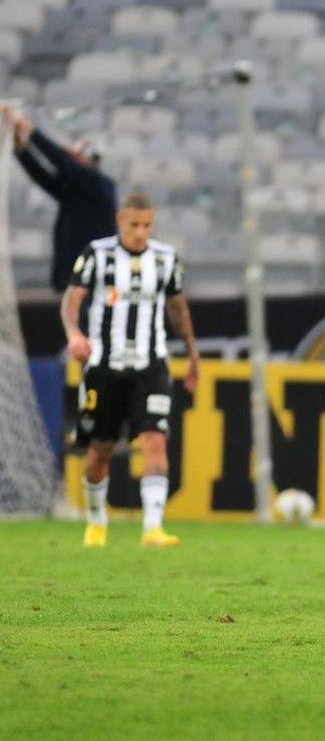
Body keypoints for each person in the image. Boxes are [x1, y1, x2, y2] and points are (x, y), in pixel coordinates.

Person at [60, 192, 200, 548]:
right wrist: (74, 334)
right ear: (120, 220)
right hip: (104, 367)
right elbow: (72, 299)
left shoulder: (166, 259)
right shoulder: (97, 254)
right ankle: (96, 522)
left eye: (148, 225)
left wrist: (193, 355)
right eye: (135, 224)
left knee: (155, 440)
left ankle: (153, 528)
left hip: (150, 366)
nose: (141, 232)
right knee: (99, 452)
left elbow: (178, 308)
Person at [1, 103, 117, 292]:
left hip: (93, 281)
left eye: (75, 155)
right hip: (72, 278)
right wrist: (20, 147)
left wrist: (27, 128)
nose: (71, 158)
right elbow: (42, 176)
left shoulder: (100, 185)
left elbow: (59, 160)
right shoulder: (78, 190)